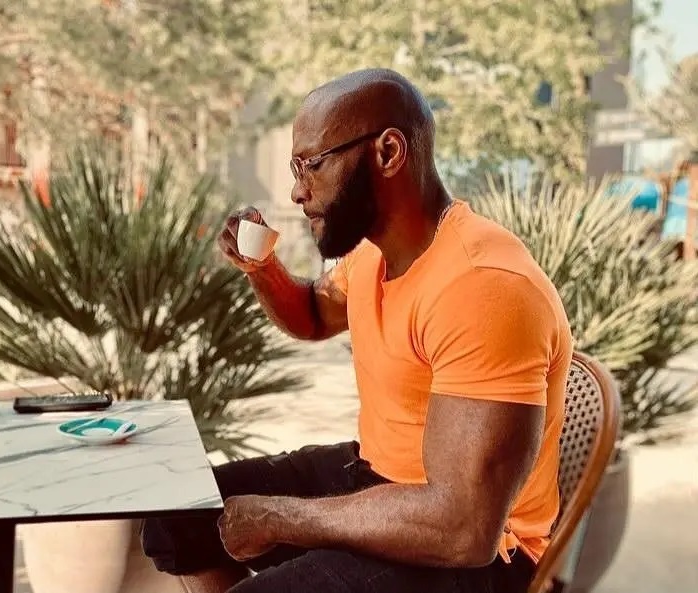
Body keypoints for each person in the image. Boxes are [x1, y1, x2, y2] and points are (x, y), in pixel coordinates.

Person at [141, 68, 573, 593]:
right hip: (381, 478)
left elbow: (464, 528)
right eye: (295, 167)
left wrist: (281, 518)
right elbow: (314, 315)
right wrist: (262, 268)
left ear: (388, 152)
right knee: (178, 518)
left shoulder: (482, 284)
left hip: (480, 557)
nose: (297, 191)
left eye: (313, 164)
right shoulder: (374, 252)